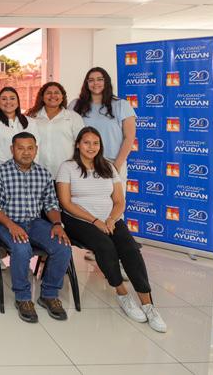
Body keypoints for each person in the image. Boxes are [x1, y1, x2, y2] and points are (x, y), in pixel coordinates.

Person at [56, 127, 166, 332]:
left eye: (95, 143)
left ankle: (148, 305)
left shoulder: (108, 167)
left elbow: (119, 201)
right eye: (86, 142)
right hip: (79, 220)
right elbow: (66, 203)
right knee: (105, 247)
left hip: (110, 219)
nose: (91, 147)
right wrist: (95, 220)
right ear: (78, 144)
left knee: (130, 249)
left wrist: (111, 219)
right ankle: (122, 294)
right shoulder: (67, 167)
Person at [0, 132, 71, 323]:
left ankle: (49, 295)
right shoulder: (0, 172)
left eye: (30, 148)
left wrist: (57, 224)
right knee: (22, 247)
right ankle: (23, 298)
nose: (26, 152)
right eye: (20, 148)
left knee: (63, 246)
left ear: (36, 150)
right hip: (5, 223)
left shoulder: (43, 173)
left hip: (34, 223)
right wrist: (11, 225)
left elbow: (51, 204)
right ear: (12, 149)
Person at [69, 67, 135, 263]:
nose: (95, 83)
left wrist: (117, 164)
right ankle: (97, 246)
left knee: (114, 208)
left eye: (99, 79)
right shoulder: (76, 105)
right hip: (84, 165)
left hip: (111, 164)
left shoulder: (121, 105)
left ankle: (119, 254)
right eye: (91, 80)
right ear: (86, 83)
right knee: (89, 206)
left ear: (106, 82)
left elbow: (129, 137)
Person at [26, 82, 84, 178]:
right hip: (37, 173)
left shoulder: (73, 117)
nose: (53, 95)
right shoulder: (32, 117)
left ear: (62, 97)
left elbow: (82, 143)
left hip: (65, 173)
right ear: (42, 97)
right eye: (48, 93)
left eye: (57, 92)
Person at [0, 86, 40, 168]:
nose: (8, 102)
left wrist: (30, 168)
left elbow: (36, 147)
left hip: (27, 170)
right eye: (4, 99)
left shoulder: (31, 122)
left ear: (18, 102)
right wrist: (12, 170)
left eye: (12, 98)